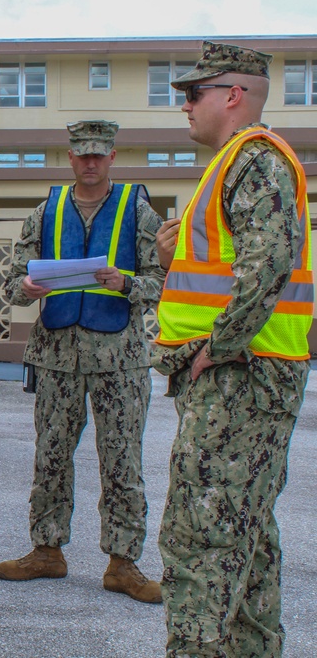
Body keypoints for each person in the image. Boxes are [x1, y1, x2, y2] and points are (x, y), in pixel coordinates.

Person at [153, 41, 312, 656]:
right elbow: (232, 265)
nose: (185, 107)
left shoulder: (255, 160)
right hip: (246, 378)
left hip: (240, 378)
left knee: (202, 538)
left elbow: (267, 264)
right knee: (246, 537)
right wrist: (172, 263)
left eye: (193, 94)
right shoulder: (237, 165)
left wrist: (215, 349)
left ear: (232, 95)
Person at [0, 120, 166, 604]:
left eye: (99, 154)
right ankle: (46, 551)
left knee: (122, 463)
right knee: (50, 457)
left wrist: (128, 284)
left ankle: (123, 563)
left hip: (121, 361)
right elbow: (12, 281)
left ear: (112, 157)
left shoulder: (138, 209)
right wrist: (25, 289)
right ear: (70, 158)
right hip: (56, 357)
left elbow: (164, 279)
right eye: (82, 155)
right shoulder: (45, 210)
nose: (90, 162)